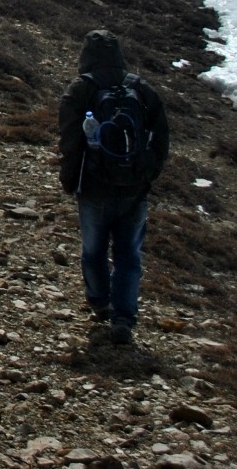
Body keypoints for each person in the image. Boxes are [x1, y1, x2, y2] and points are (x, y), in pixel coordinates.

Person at [58, 29, 168, 346]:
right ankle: (123, 319)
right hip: (135, 189)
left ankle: (99, 303)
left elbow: (70, 141)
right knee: (128, 255)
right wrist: (148, 172)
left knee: (93, 251)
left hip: (93, 188)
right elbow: (161, 137)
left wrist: (70, 180)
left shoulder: (81, 89)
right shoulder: (140, 87)